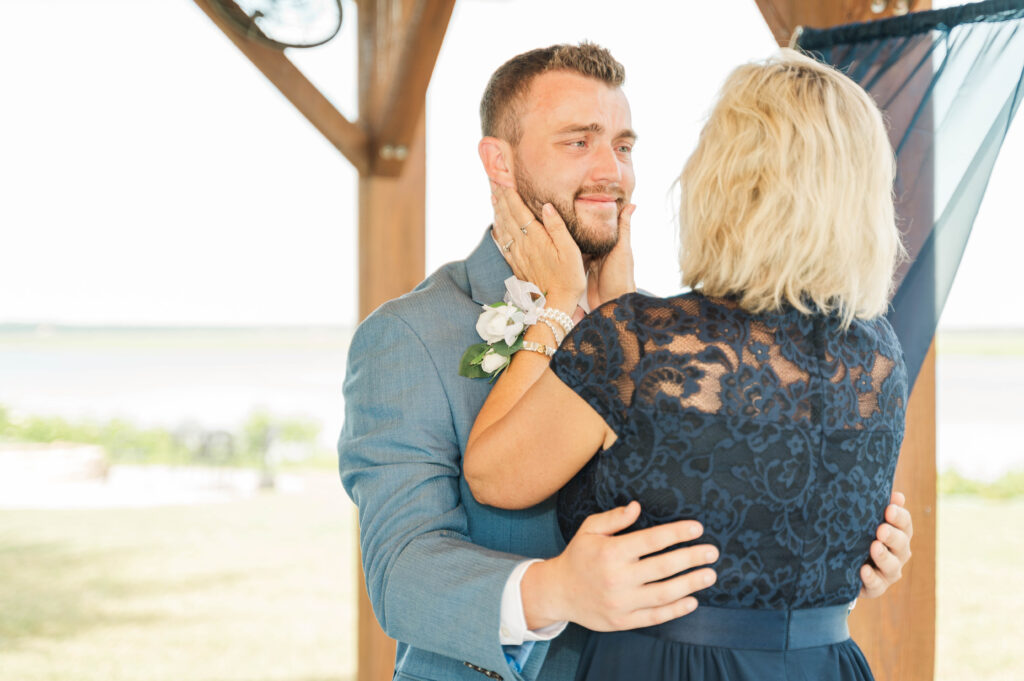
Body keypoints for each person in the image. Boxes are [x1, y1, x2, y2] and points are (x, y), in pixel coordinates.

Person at [339, 43, 913, 681]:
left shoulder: (674, 336)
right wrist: (555, 590)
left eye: (624, 145)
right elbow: (400, 574)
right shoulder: (408, 335)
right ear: (498, 162)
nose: (610, 169)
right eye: (578, 142)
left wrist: (843, 551)